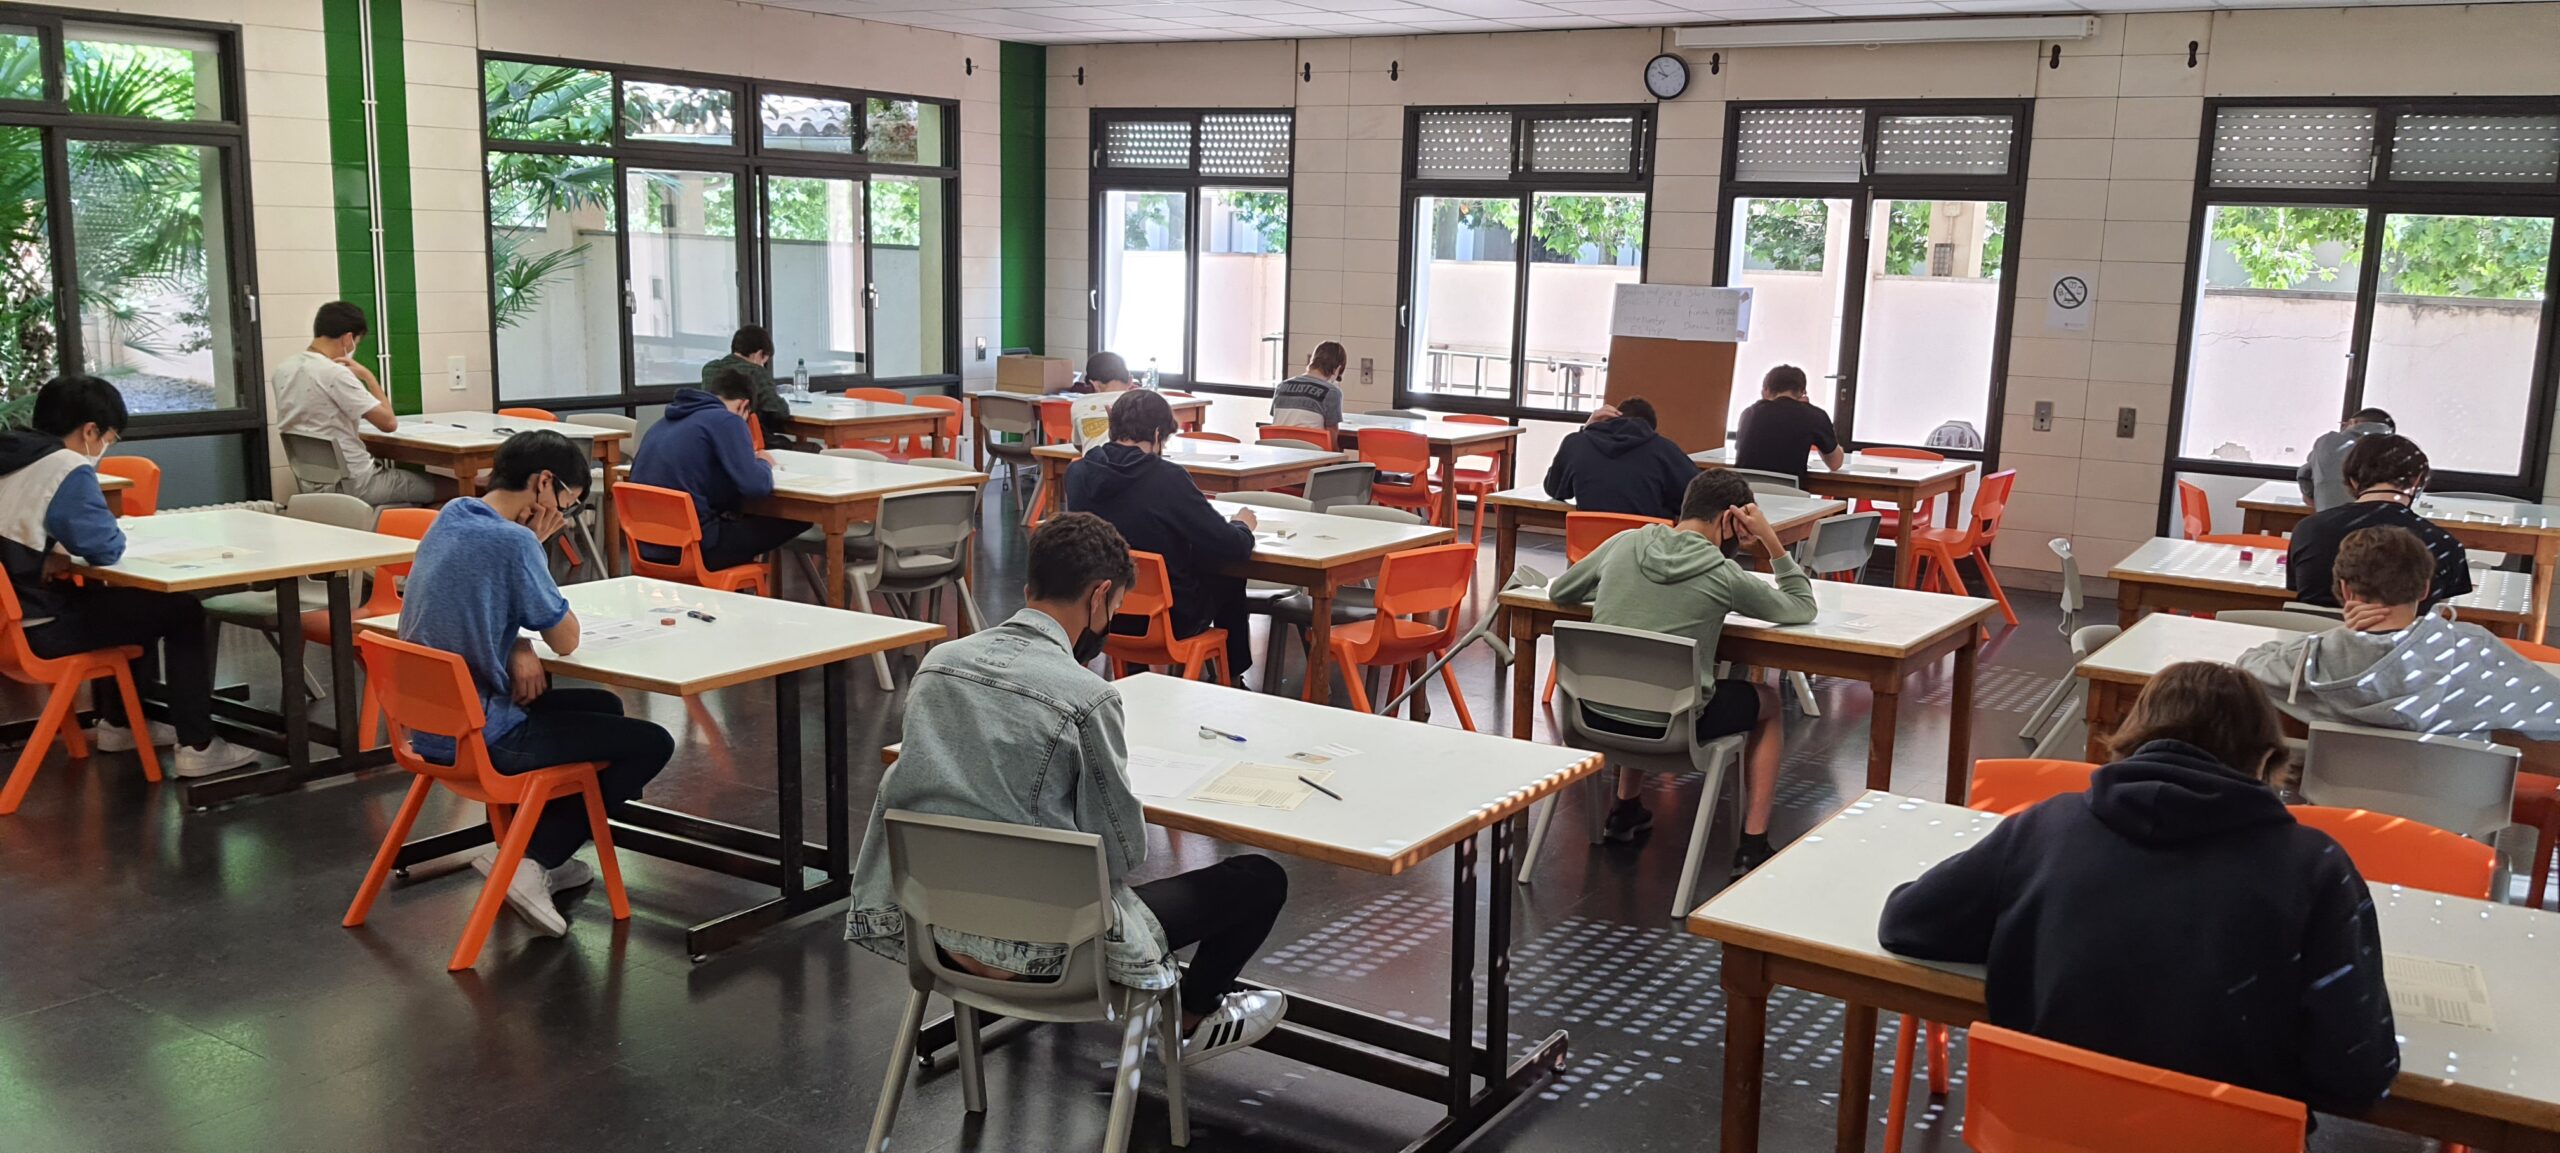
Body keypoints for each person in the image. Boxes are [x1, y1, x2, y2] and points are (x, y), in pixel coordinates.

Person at [845, 512, 1290, 1064]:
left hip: (938, 938)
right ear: (1099, 595)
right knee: (1259, 879)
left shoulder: (939, 667)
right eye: (1115, 607)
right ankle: (1190, 1019)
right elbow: (1123, 853)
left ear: (1031, 585)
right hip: (1051, 954)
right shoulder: (1086, 697)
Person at [1878, 661, 2398, 1116]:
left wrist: (2032, 929)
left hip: (2045, 1131)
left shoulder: (2048, 827)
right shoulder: (2314, 867)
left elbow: (1907, 922)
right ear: (2264, 763)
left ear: (2131, 741)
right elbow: (2358, 1076)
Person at [399, 430, 675, 938]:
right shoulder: (515, 542)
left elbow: (476, 606)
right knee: (653, 742)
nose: (565, 515)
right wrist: (535, 548)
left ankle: (543, 849)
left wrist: (519, 644)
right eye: (568, 503)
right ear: (544, 483)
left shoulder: (453, 514)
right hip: (483, 737)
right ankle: (531, 860)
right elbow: (566, 640)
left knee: (604, 707)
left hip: (432, 726)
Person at [1546, 468, 1818, 877]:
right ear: (1729, 520)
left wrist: (1619, 588)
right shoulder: (1723, 573)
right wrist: (1771, 541)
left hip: (1591, 717)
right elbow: (1802, 607)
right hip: (1674, 730)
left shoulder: (1625, 542)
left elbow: (1561, 591)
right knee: (1769, 703)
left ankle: (1625, 809)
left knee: (1641, 670)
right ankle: (1753, 843)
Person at [0, 375, 259, 778]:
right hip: (39, 628)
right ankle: (199, 746)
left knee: (133, 605)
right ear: (90, 431)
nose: (106, 448)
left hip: (10, 626)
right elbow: (104, 548)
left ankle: (120, 724)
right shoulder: (65, 466)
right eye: (110, 438)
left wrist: (47, 555)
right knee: (182, 611)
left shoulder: (13, 457)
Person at [2238, 525, 2560, 741]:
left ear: (2346, 590)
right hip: (2452, 815)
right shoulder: (2474, 651)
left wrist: (2342, 634)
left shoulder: (2315, 657)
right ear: (2425, 589)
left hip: (2339, 809)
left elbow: (2248, 664)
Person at [1066, 390, 1259, 681]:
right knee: (1228, 575)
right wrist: (1242, 526)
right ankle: (1231, 677)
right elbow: (1232, 546)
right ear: (1157, 434)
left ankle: (1136, 670)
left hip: (1099, 613)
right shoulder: (1167, 477)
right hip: (1169, 620)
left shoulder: (1078, 473)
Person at [627, 368, 803, 574]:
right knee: (798, 518)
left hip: (646, 549)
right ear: (743, 405)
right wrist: (763, 463)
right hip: (697, 550)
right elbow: (756, 486)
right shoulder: (728, 420)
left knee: (737, 518)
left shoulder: (663, 422)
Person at [272, 300, 439, 506]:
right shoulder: (334, 373)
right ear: (348, 338)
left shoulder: (283, 370)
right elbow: (388, 423)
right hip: (358, 484)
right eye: (357, 342)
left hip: (311, 484)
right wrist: (368, 377)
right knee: (456, 488)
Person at [2285, 433, 2471, 610]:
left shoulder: (2308, 529)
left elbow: (2298, 593)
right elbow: (2438, 612)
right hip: (2401, 633)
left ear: (2352, 480)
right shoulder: (2444, 543)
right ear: (2417, 481)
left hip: (2313, 631)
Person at [1540, 396, 1698, 522]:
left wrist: (1587, 428)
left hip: (1591, 546)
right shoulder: (1663, 448)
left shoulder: (1576, 443)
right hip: (1644, 547)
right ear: (1649, 428)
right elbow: (1695, 497)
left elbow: (1554, 489)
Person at [1732, 365, 1844, 483]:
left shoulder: (1749, 413)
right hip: (1789, 491)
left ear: (1766, 390)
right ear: (1803, 392)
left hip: (1746, 490)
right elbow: (1835, 464)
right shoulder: (1814, 415)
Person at [700, 324, 795, 451]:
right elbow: (780, 412)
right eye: (764, 361)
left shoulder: (710, 369)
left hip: (712, 438)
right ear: (759, 354)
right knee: (804, 446)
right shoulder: (756, 372)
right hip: (749, 441)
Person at [2298, 408, 2394, 512]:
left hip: (2329, 516)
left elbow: (2304, 474)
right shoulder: (2395, 448)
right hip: (2382, 518)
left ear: (2353, 422)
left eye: (2344, 425)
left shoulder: (2326, 442)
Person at [1070, 352, 1142, 450]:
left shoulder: (1079, 404)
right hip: (1134, 459)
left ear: (1093, 384)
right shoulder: (1140, 401)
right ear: (1130, 381)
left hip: (1093, 459)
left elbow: (1078, 444)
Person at [1269, 341, 1347, 430]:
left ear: (1312, 360)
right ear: (1337, 369)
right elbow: (1332, 434)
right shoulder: (1332, 392)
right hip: (1311, 440)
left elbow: (1277, 419)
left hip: (1277, 439)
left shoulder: (1281, 386)